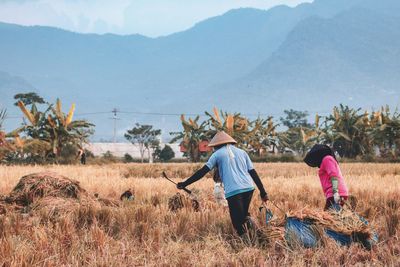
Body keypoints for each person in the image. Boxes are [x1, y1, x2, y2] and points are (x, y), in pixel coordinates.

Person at [177, 131, 269, 238]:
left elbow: (203, 171)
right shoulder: (242, 152)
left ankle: (250, 242)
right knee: (243, 216)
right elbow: (253, 172)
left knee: (237, 222)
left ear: (216, 145)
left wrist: (185, 183)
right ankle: (257, 236)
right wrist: (263, 192)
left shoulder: (217, 154)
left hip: (234, 191)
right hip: (248, 188)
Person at [304, 144, 349, 211]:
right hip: (334, 194)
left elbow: (333, 175)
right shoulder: (326, 160)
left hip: (336, 193)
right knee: (331, 217)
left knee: (327, 218)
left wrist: (335, 192)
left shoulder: (327, 159)